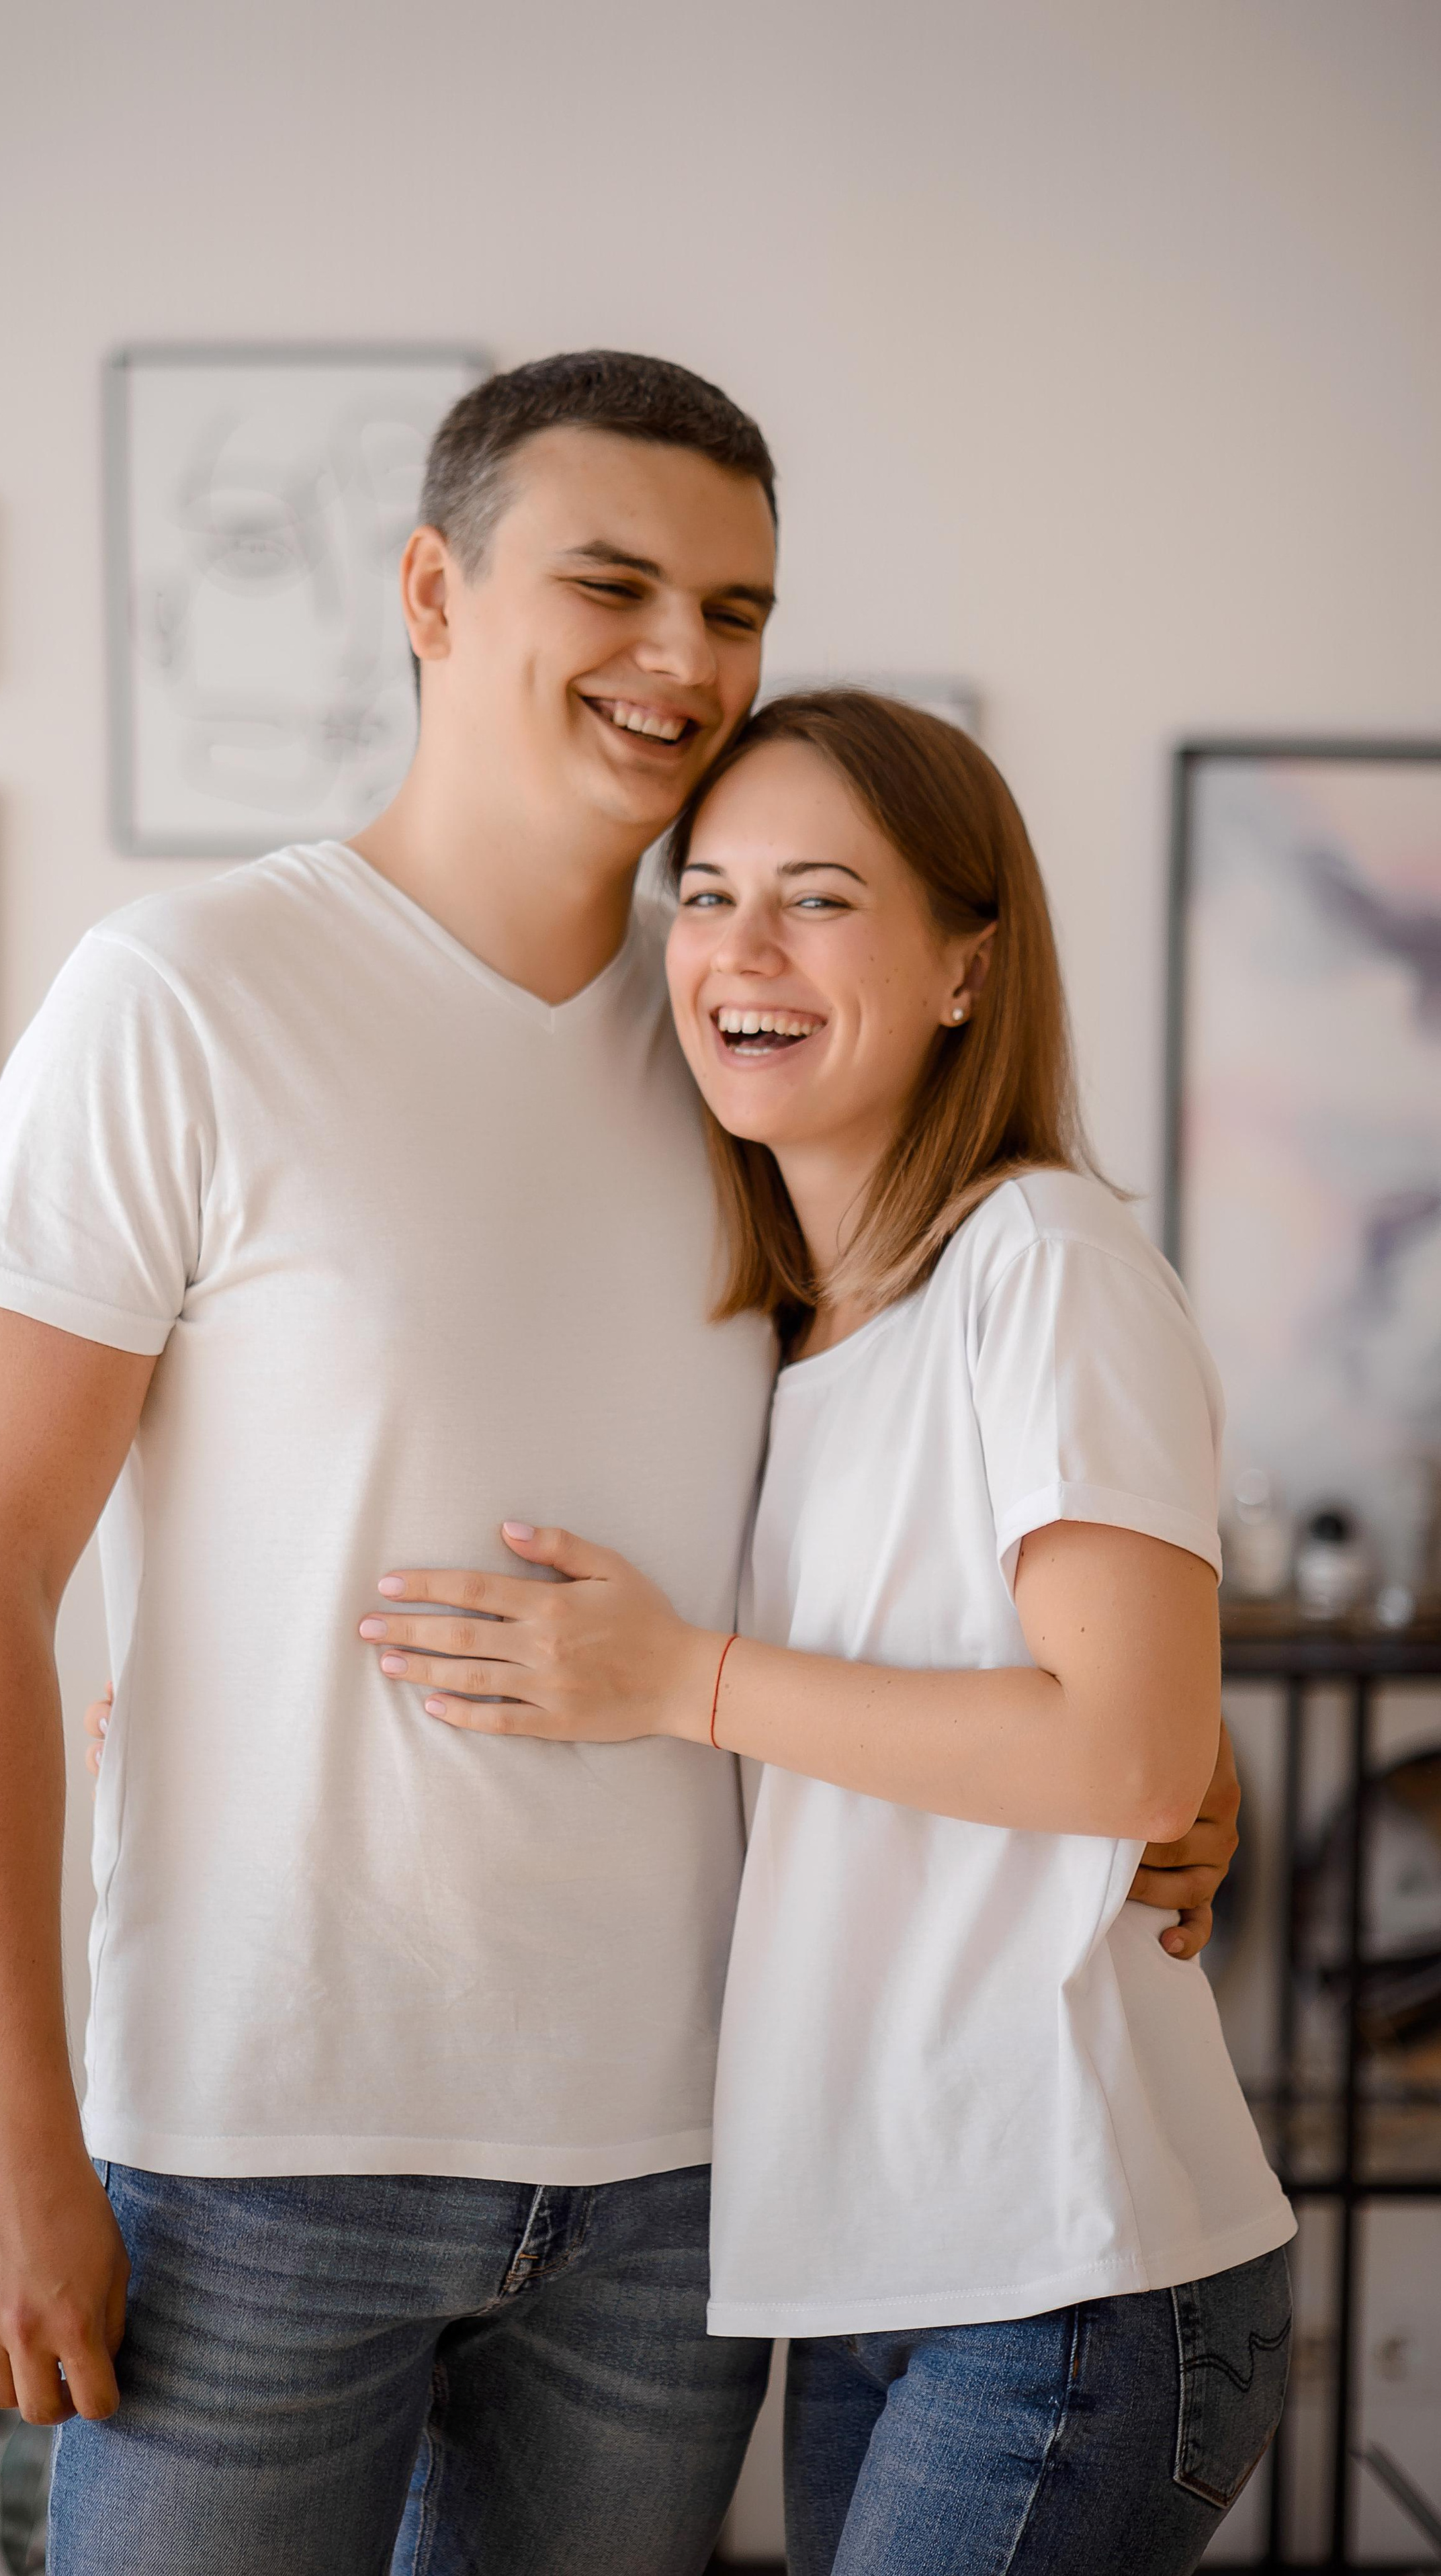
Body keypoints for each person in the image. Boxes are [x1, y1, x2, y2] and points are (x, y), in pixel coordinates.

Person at [0, 351, 1239, 2576]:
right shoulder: (181, 997)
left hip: (680, 2178)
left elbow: (950, 1488)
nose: (685, 660)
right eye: (614, 584)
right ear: (432, 589)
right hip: (255, 2157)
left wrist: (1171, 1758)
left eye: (737, 608)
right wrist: (4, 2124)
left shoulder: (743, 1035)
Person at [358, 689, 1293, 2575]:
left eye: (820, 898)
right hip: (886, 2257)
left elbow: (1126, 1748)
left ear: (967, 964)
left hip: (1068, 2262)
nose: (740, 952)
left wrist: (677, 1678)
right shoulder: (799, 1343)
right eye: (702, 895)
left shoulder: (1042, 1262)